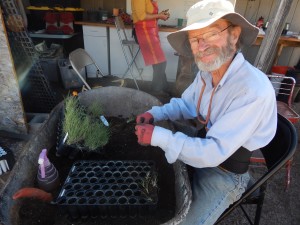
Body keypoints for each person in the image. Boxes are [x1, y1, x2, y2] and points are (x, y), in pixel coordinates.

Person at [134, 0, 277, 224]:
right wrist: (156, 114)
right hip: (205, 148)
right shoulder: (208, 73)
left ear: (234, 34)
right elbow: (186, 105)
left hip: (226, 173)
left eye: (211, 34)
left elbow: (213, 151)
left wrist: (159, 136)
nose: (201, 46)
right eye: (194, 39)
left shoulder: (252, 90)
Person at [131, 0, 170, 95]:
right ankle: (156, 90)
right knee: (160, 61)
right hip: (143, 32)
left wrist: (161, 15)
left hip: (150, 31)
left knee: (159, 61)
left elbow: (150, 16)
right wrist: (159, 16)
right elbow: (141, 16)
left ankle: (163, 87)